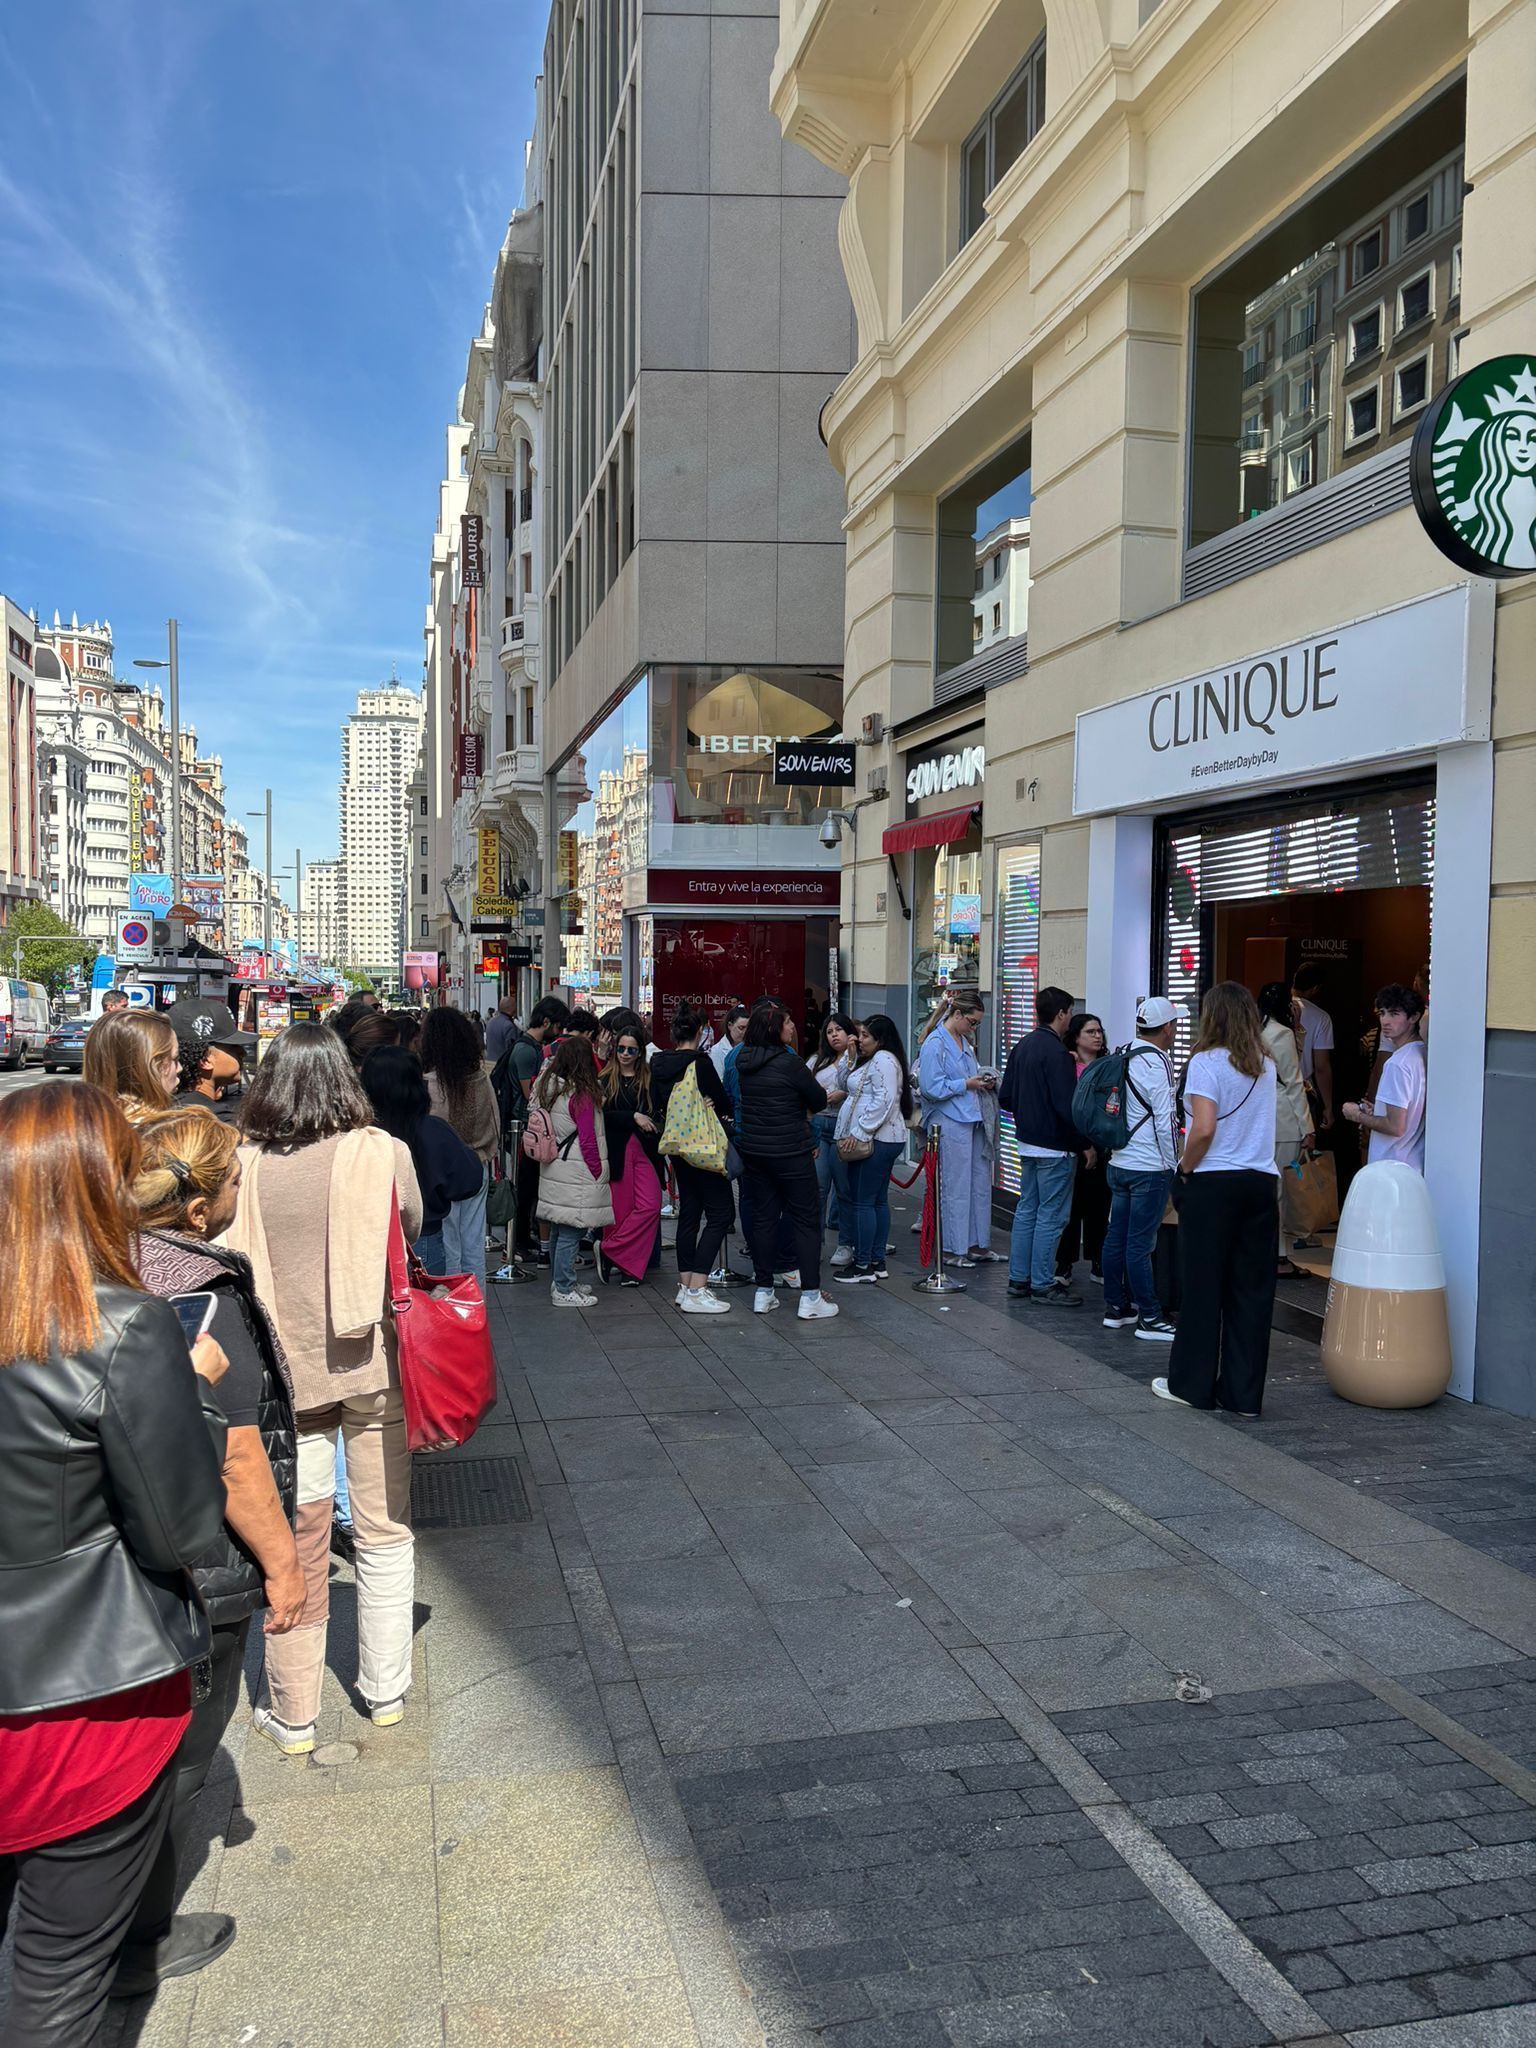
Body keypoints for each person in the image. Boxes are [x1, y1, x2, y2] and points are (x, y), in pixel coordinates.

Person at [0, 1083, 232, 2036]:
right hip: (82, 1691)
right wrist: (199, 1395)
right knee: (58, 1972)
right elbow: (183, 1529)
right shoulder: (121, 1328)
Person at [126, 1109, 304, 1990]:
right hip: (206, 1564)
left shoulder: (107, 1267)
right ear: (196, 1206)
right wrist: (283, 1563)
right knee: (179, 1753)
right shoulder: (204, 1292)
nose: (243, 1189)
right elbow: (238, 1450)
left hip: (129, 1557)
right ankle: (133, 1934)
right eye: (234, 1177)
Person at [222, 1024, 423, 1753]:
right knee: (383, 1529)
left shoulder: (242, 1163)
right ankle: (387, 1691)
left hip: (286, 1382)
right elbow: (410, 1225)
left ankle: (296, 1714)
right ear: (346, 1077)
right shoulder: (383, 1152)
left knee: (302, 1538)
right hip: (373, 1367)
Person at [1155, 982, 1278, 1416]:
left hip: (1214, 1184)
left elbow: (1203, 1128)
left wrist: (1184, 1170)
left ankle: (1192, 1386)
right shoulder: (1264, 1064)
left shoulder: (1206, 1063)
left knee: (1203, 1289)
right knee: (1251, 1293)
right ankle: (1243, 1396)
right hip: (1260, 1182)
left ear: (1212, 1017)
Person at [735, 999, 839, 1320]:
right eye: (787, 1022)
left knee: (764, 1219)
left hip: (755, 1151)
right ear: (774, 1029)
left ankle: (764, 1291)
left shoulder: (744, 1061)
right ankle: (810, 1296)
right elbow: (818, 1098)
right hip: (792, 1152)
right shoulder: (791, 1064)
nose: (793, 1027)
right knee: (806, 1221)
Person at [359, 1046, 482, 1278]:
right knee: (421, 1310)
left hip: (365, 1241)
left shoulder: (359, 1136)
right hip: (423, 1240)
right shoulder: (433, 1131)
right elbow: (469, 1180)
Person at [1099, 997, 1181, 1341]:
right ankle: (1150, 1315)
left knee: (1116, 1237)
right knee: (1140, 1244)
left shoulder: (1124, 1051)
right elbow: (1165, 1120)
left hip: (1119, 1162)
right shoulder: (1158, 1062)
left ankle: (1116, 1308)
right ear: (1167, 1028)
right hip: (1149, 1166)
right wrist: (1173, 1162)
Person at [650, 1002, 735, 1313]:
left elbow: (659, 1104)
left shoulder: (657, 1064)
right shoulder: (701, 1064)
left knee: (689, 1213)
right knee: (721, 1215)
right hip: (705, 1149)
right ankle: (698, 1287)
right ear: (700, 1032)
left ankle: (686, 1285)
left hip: (677, 1147)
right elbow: (724, 1103)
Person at [999, 988, 1080, 1305]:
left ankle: (1019, 1278)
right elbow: (1067, 1106)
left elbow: (1005, 1096)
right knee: (1051, 1216)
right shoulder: (1057, 1053)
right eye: (1070, 1012)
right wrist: (1082, 1142)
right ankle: (1043, 1283)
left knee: (1027, 1211)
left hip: (1026, 1143)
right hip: (1055, 1146)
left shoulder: (1023, 1046)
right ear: (1061, 1013)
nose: (1070, 1018)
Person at [420, 1007, 500, 1289]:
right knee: (473, 1246)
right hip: (476, 1166)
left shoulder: (427, 1085)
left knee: (448, 1245)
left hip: (439, 1176)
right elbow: (495, 1122)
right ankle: (476, 1311)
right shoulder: (480, 1079)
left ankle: (452, 1313)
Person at [490, 994, 569, 1278]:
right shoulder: (526, 1051)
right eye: (557, 1026)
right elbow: (530, 1093)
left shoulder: (534, 1047)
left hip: (528, 1127)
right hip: (525, 1129)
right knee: (526, 1186)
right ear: (546, 1021)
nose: (559, 1033)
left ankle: (524, 1237)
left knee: (531, 1185)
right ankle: (520, 1240)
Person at [533, 1034, 613, 1306]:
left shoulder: (550, 1085)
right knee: (571, 1232)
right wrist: (597, 1172)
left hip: (556, 1167)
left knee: (559, 1228)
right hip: (577, 1170)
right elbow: (589, 1140)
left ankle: (561, 1281)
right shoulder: (581, 1095)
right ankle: (565, 1288)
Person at [917, 993, 997, 1267]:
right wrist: (966, 1084)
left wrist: (979, 1081)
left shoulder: (963, 1041)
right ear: (959, 1015)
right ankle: (952, 1248)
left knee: (978, 1183)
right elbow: (930, 1087)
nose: (974, 1028)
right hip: (949, 1120)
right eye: (972, 1022)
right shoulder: (935, 1044)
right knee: (955, 1185)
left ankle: (976, 1243)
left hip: (969, 1117)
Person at [833, 1014, 913, 1285]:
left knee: (863, 1200)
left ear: (880, 1038)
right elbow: (844, 1083)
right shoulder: (872, 1060)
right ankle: (876, 1261)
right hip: (879, 1137)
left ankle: (863, 1263)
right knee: (875, 1200)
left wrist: (859, 1131)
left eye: (865, 1035)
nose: (860, 1039)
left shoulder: (883, 1061)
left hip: (877, 1140)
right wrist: (851, 1055)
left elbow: (886, 1099)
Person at [1258, 982, 1315, 1275]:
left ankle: (1266, 1250)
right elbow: (1294, 1081)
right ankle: (1279, 1256)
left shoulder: (1254, 1031)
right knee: (1280, 1191)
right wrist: (1308, 1126)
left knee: (1266, 1189)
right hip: (1283, 1120)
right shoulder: (1282, 1034)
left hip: (1258, 1120)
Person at [599, 1027, 664, 1286]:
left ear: (640, 1053)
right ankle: (627, 1266)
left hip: (645, 1150)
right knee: (620, 1210)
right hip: (618, 1150)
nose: (625, 1054)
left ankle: (608, 1249)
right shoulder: (605, 1078)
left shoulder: (650, 1079)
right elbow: (599, 1116)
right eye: (621, 1048)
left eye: (631, 1050)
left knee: (650, 1205)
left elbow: (660, 1110)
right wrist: (632, 1116)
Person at [1342, 983, 1427, 1171]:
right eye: (1382, 1013)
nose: (1385, 1021)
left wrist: (1357, 1115)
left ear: (1414, 1017)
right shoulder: (1420, 1053)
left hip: (1390, 1166)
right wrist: (1378, 1110)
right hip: (1411, 1164)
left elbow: (1395, 1126)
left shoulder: (1397, 1064)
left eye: (1394, 1013)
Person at [1054, 1012, 1111, 1287]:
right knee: (1071, 1206)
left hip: (1103, 1142)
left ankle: (1098, 1261)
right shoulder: (1066, 1065)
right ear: (1076, 1037)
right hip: (1073, 1142)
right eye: (1090, 1031)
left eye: (1099, 1031)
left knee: (1100, 1205)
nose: (1097, 1036)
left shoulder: (1109, 1065)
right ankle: (1064, 1263)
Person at [807, 1012, 856, 1263]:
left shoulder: (856, 1061)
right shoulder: (817, 1061)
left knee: (845, 1189)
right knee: (818, 1187)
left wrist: (843, 1095)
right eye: (829, 1031)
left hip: (843, 1127)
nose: (834, 1035)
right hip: (818, 1125)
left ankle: (846, 1244)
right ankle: (815, 1243)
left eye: (839, 1030)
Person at [166, 997, 258, 1127]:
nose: (243, 1053)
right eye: (233, 1047)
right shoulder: (220, 1123)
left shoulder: (162, 1110)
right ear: (205, 1060)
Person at [83, 1007, 181, 1124]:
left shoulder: (79, 1129)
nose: (179, 1068)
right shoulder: (165, 1136)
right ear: (148, 1065)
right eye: (174, 1059)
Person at [1291, 962, 1335, 1134]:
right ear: (1316, 988)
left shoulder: (1270, 1010)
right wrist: (1328, 1107)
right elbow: (1321, 1067)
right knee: (1305, 1148)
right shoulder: (1321, 1018)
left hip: (1271, 1091)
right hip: (1303, 1091)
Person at [710, 1004, 750, 1081]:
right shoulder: (716, 1051)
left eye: (748, 1028)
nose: (745, 1032)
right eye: (741, 1028)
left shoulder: (751, 1047)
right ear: (730, 1026)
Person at [484, 994, 519, 1066]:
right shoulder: (508, 1025)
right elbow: (511, 1049)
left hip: (490, 1063)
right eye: (515, 1005)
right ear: (511, 1008)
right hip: (502, 1066)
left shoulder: (491, 1022)